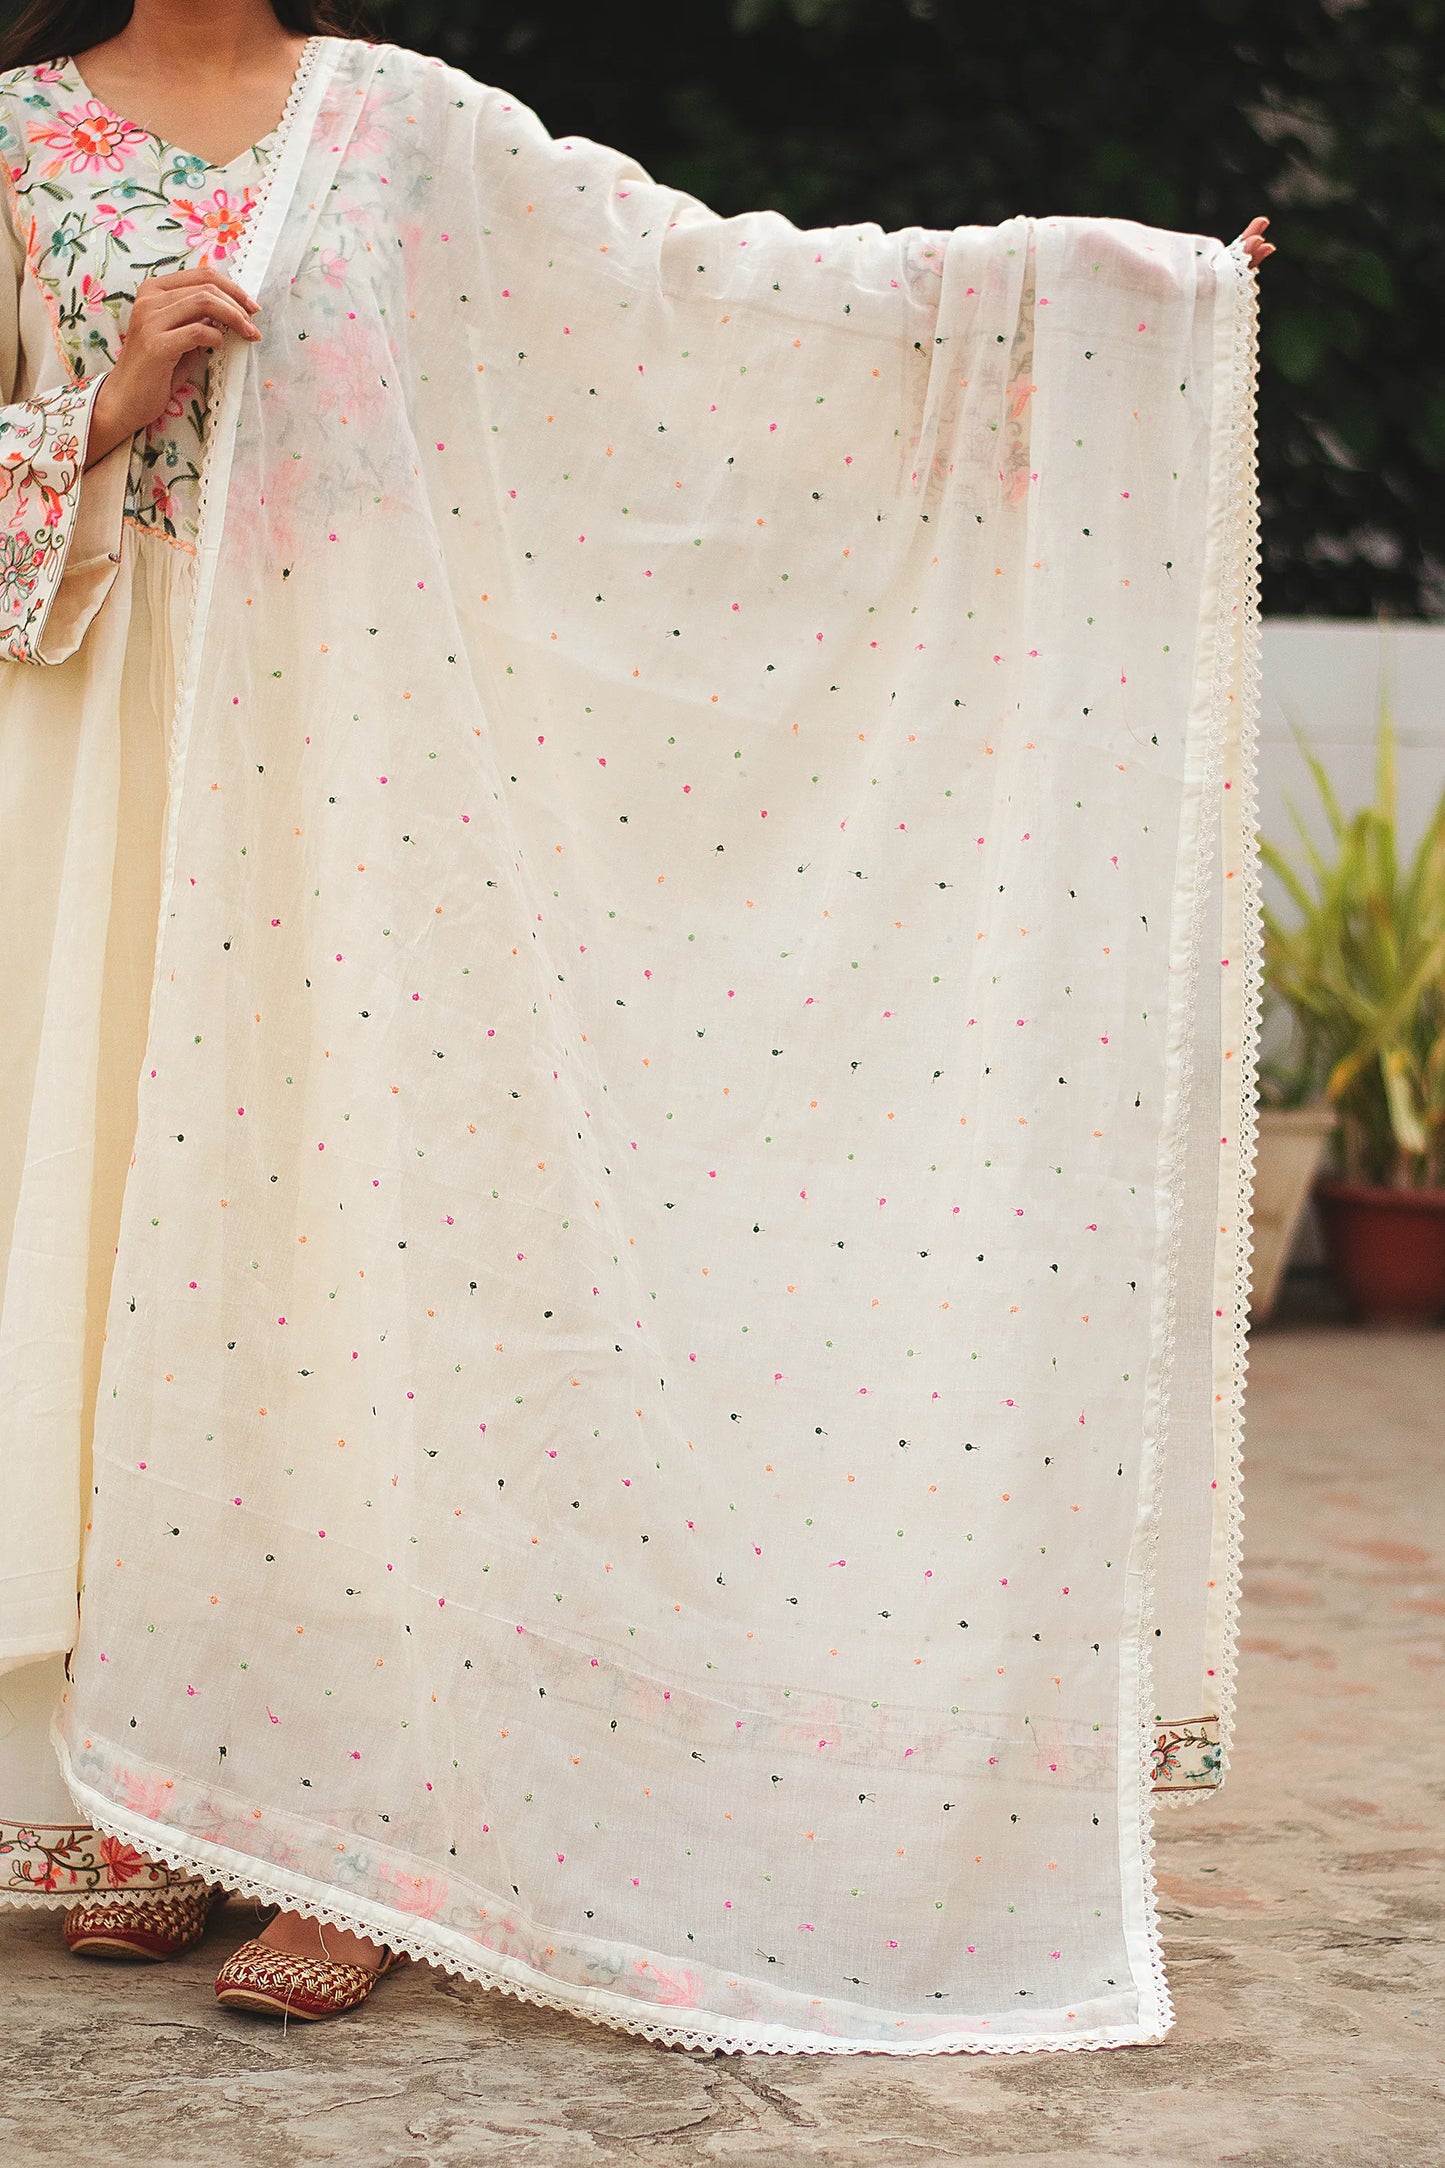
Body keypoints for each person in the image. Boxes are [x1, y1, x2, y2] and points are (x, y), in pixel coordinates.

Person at [0, 0, 1275, 2036]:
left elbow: (690, 295)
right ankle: (158, 1791)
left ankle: (365, 1829)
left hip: (349, 750)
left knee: (357, 1267)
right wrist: (102, 408)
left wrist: (1088, 297)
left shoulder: (407, 124)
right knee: (121, 1254)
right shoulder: (21, 137)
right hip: (98, 731)